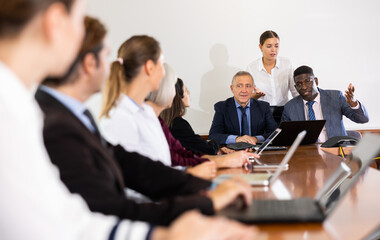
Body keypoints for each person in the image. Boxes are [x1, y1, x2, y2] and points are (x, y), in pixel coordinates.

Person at [0, 1, 256, 239]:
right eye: (79, 22)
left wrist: (206, 192)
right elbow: (78, 218)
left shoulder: (34, 108)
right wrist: (174, 226)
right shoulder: (24, 114)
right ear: (55, 21)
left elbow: (132, 168)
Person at [100, 37, 255, 175]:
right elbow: (149, 177)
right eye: (162, 64)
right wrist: (195, 176)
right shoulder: (121, 119)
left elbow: (177, 157)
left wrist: (223, 162)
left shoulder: (149, 116)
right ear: (150, 68)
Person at [281, 65, 369, 142]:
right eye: (299, 84)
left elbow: (363, 119)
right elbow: (284, 137)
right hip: (307, 155)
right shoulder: (290, 108)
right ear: (295, 87)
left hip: (336, 152)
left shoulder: (335, 97)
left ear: (316, 81)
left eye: (308, 81)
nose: (303, 87)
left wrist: (354, 104)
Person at [209, 71, 278, 145]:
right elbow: (214, 135)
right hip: (232, 151)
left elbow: (274, 133)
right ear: (232, 88)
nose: (244, 90)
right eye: (239, 86)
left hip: (256, 150)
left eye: (248, 86)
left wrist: (256, 138)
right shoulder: (222, 107)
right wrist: (236, 139)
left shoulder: (263, 107)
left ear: (253, 89)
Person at [246, 30, 298, 124]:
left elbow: (295, 91)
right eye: (269, 46)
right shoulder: (251, 68)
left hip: (284, 112)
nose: (273, 50)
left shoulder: (287, 64)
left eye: (276, 46)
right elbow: (246, 98)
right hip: (262, 112)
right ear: (260, 47)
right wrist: (256, 95)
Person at [161, 78, 220, 155]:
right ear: (178, 97)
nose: (189, 93)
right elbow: (208, 150)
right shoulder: (178, 124)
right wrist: (215, 142)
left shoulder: (165, 121)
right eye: (185, 91)